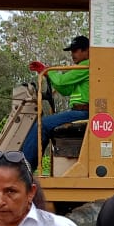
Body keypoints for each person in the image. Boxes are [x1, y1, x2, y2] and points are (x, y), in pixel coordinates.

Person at [22, 35, 90, 168]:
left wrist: (46, 71)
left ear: (87, 50)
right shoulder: (81, 68)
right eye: (71, 51)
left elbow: (61, 81)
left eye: (76, 50)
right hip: (78, 111)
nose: (73, 54)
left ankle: (24, 167)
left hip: (83, 112)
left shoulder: (86, 66)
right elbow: (65, 90)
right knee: (45, 124)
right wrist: (49, 76)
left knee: (42, 125)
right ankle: (28, 166)